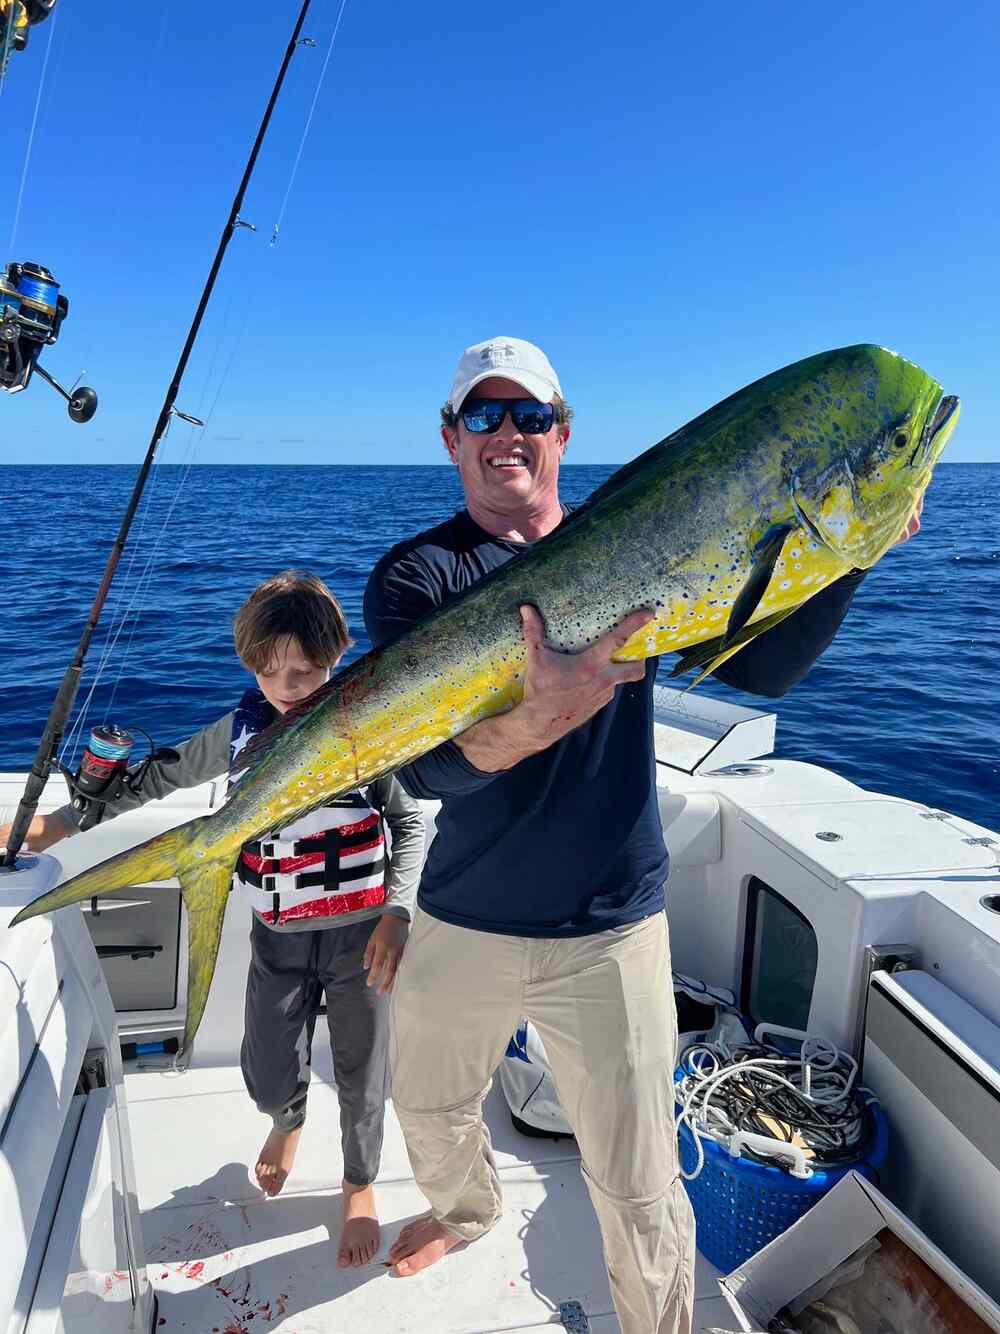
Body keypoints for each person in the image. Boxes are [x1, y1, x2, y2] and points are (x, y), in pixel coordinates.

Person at [363, 337, 922, 1333]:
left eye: (527, 414)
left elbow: (765, 671)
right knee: (430, 1107)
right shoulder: (418, 574)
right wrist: (538, 713)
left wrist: (850, 555)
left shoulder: (649, 542)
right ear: (451, 437)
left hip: (611, 925)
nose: (507, 435)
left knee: (641, 1182)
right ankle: (466, 1207)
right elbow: (424, 765)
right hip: (462, 914)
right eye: (483, 416)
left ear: (562, 431)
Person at [3, 569, 425, 1269]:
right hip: (278, 938)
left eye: (307, 669)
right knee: (264, 1071)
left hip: (361, 938)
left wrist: (399, 913)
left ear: (338, 659)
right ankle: (285, 1121)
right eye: (272, 671)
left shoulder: (366, 735)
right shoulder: (238, 732)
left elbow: (408, 825)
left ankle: (359, 1184)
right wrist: (56, 826)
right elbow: (149, 781)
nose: (289, 685)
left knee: (363, 1073)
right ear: (249, 668)